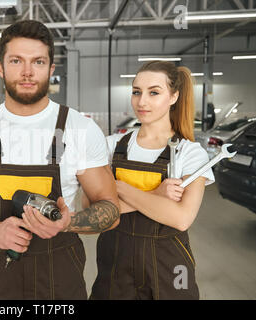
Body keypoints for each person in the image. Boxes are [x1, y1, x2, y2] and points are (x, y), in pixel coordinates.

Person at [0, 20, 120, 300]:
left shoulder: (80, 129)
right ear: (1, 67)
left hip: (60, 274)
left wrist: (67, 223)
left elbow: (110, 209)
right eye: (16, 60)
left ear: (51, 69)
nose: (27, 72)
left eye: (38, 61)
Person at [90, 61, 215, 300]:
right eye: (136, 92)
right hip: (115, 261)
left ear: (174, 96)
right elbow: (92, 212)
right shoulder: (111, 145)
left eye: (154, 92)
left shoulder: (189, 153)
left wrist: (117, 189)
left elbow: (180, 218)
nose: (141, 101)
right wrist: (155, 195)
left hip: (169, 264)